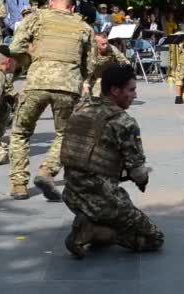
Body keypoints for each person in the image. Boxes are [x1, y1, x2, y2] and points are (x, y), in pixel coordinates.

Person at [61, 64, 163, 259]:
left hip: (72, 193)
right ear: (115, 90)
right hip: (102, 198)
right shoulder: (124, 122)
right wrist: (142, 181)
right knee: (155, 239)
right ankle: (91, 231)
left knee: (113, 214)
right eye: (131, 90)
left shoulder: (82, 107)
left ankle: (91, 223)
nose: (134, 95)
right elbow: (137, 171)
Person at [8, 0, 95, 201]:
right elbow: (90, 65)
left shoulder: (36, 17)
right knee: (65, 133)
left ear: (51, 3)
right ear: (72, 8)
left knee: (20, 132)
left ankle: (19, 185)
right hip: (68, 86)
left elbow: (14, 47)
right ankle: (47, 171)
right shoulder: (83, 26)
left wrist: (32, 61)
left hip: (37, 82)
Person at [85, 33, 131, 98]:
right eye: (103, 44)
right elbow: (85, 70)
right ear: (95, 43)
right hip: (88, 76)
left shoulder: (111, 48)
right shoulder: (89, 51)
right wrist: (85, 84)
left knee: (97, 95)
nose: (106, 46)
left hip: (103, 76)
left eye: (106, 43)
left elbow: (124, 61)